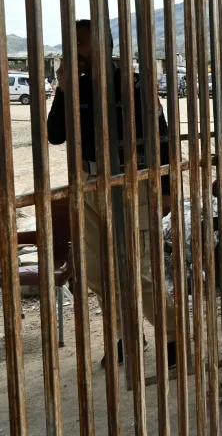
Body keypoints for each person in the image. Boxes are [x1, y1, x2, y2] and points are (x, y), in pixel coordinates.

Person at [47, 20, 177, 368]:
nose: (76, 52)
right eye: (72, 45)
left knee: (141, 269)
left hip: (130, 184)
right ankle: (126, 337)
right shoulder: (77, 85)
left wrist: (165, 190)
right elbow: (55, 136)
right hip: (90, 184)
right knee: (97, 272)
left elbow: (162, 138)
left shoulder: (133, 83)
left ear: (102, 47)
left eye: (82, 44)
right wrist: (62, 89)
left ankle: (173, 337)